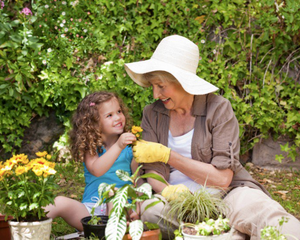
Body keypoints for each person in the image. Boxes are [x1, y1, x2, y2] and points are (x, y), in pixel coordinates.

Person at [124, 35, 300, 240]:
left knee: (267, 214)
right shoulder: (152, 113)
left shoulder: (218, 109)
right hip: (175, 202)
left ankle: (221, 230)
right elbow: (152, 171)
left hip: (227, 194)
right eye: (153, 86)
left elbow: (222, 179)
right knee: (149, 210)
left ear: (182, 82)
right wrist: (172, 194)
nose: (155, 94)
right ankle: (227, 233)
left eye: (161, 86)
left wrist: (169, 156)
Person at [45, 91, 139, 231]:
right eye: (109, 115)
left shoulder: (130, 149)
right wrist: (119, 145)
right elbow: (96, 169)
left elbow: (137, 182)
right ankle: (27, 227)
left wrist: (137, 207)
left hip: (120, 207)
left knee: (115, 196)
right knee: (58, 202)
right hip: (90, 212)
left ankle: (111, 233)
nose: (118, 117)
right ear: (94, 123)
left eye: (119, 111)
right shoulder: (92, 148)